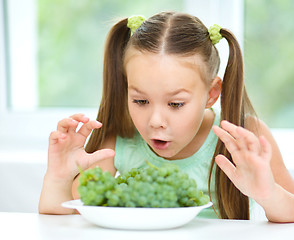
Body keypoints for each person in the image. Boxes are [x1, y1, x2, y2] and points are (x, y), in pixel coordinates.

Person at [39, 12, 294, 222]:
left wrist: (267, 193)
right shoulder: (121, 138)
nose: (155, 121)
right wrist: (59, 176)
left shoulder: (244, 136)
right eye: (140, 101)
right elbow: (65, 216)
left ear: (211, 93)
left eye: (175, 103)